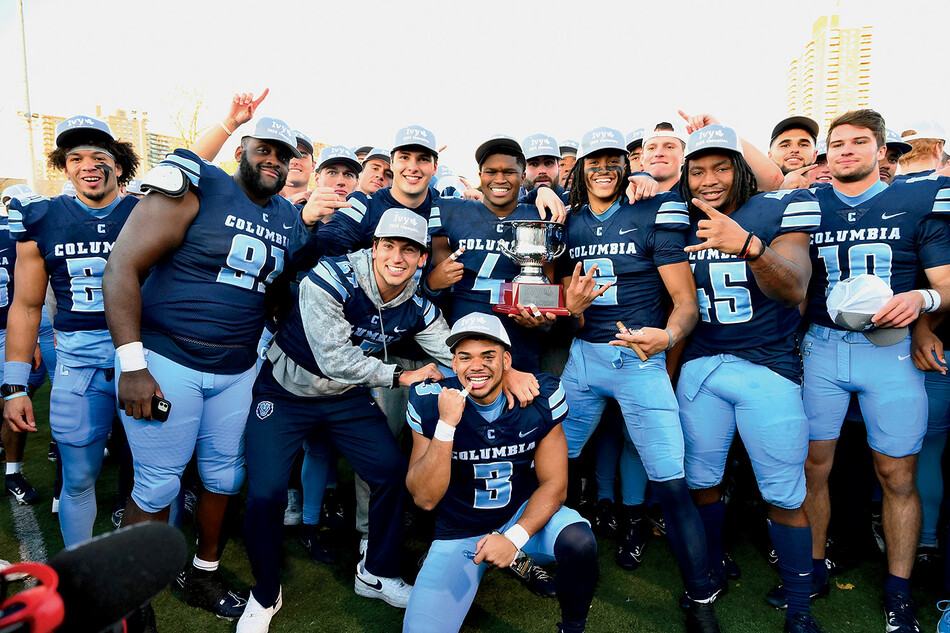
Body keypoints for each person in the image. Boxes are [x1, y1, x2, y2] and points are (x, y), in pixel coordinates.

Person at [102, 116, 322, 622]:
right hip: (168, 357)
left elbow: (282, 294)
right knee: (157, 484)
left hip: (238, 367)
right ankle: (132, 596)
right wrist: (132, 364)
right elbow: (123, 265)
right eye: (263, 149)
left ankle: (204, 570)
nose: (273, 160)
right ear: (242, 148)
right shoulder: (200, 183)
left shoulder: (288, 217)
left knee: (225, 476)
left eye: (283, 155)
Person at [237, 209, 452, 631]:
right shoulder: (331, 277)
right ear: (373, 248)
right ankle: (265, 592)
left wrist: (503, 367)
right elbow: (332, 357)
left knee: (389, 471)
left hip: (344, 397)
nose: (397, 257)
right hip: (287, 389)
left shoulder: (417, 305)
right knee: (264, 493)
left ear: (422, 259)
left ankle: (376, 571)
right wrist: (401, 375)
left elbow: (453, 349)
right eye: (388, 246)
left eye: (409, 250)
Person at [558, 126, 719, 633]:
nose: (603, 170)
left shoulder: (655, 210)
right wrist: (573, 311)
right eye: (593, 161)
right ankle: (533, 551)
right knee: (552, 464)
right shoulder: (568, 222)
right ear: (580, 168)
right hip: (584, 357)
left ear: (626, 165)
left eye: (612, 160)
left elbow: (687, 305)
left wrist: (665, 339)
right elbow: (572, 310)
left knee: (671, 480)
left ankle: (701, 596)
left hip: (638, 357)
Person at [801, 108, 950, 633]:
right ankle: (813, 569)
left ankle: (899, 588)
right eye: (837, 143)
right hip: (821, 347)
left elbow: (946, 284)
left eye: (859, 142)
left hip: (890, 351)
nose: (845, 151)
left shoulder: (916, 199)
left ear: (882, 152)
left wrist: (924, 302)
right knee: (813, 468)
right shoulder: (808, 202)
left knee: (897, 474)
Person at [676, 125, 825, 632]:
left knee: (784, 491)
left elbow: (795, 288)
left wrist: (750, 248)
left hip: (768, 367)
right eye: (698, 170)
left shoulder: (778, 207)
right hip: (701, 366)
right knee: (700, 481)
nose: (709, 179)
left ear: (741, 168)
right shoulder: (676, 218)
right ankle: (710, 567)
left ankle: (800, 603)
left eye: (721, 167)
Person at [403, 312, 599, 633]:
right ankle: (514, 563)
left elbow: (556, 485)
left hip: (519, 514)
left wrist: (513, 538)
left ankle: (572, 627)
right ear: (453, 364)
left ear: (507, 360)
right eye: (465, 357)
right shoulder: (430, 401)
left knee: (579, 541)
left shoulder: (538, 396)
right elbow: (424, 498)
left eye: (488, 356)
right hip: (460, 527)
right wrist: (446, 426)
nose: (475, 366)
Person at [3, 115, 139, 547]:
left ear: (118, 163)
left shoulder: (148, 211)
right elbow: (26, 307)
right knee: (78, 476)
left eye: (99, 156)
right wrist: (15, 386)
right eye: (76, 158)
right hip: (79, 363)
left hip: (145, 361)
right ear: (65, 166)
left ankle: (145, 572)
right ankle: (79, 568)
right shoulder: (41, 217)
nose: (88, 166)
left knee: (157, 474)